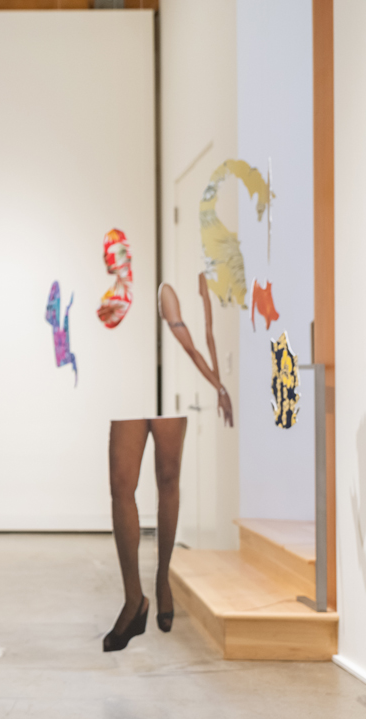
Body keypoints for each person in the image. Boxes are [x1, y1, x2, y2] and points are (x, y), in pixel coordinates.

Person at [103, 272, 234, 653]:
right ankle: (134, 598)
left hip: (170, 390)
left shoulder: (176, 286)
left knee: (168, 480)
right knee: (121, 484)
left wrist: (218, 385)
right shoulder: (137, 289)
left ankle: (162, 581)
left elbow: (196, 340)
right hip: (133, 385)